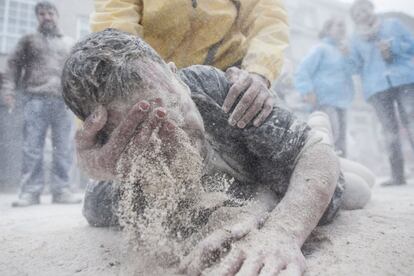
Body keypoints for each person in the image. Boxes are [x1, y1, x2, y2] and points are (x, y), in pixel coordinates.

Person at [61, 29, 373, 275]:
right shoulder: (119, 174)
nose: (177, 135)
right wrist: (100, 168)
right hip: (241, 180)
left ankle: (320, 126)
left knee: (354, 191)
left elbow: (313, 157)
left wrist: (282, 232)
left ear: (175, 74)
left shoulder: (223, 93)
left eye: (175, 109)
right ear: (109, 139)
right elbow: (93, 206)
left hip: (259, 158)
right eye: (148, 132)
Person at [90, 0, 289, 130]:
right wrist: (135, 70)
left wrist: (259, 72)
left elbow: (268, 18)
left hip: (221, 83)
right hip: (150, 78)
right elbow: (115, 20)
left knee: (272, 130)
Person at [1, 1, 81, 207]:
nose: (46, 17)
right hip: (35, 99)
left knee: (64, 147)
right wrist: (8, 90)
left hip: (64, 101)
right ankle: (30, 192)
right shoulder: (29, 40)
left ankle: (62, 190)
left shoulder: (69, 43)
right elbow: (11, 65)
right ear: (37, 17)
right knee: (32, 147)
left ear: (57, 15)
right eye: (42, 13)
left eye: (50, 13)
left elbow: (77, 72)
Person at [348, 0, 414, 186]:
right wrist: (347, 56)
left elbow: (412, 44)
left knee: (412, 121)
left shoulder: (393, 24)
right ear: (355, 19)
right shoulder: (354, 39)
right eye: (357, 14)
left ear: (371, 8)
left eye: (363, 10)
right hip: (376, 87)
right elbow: (355, 67)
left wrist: (394, 48)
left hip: (404, 79)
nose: (362, 15)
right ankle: (397, 175)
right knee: (388, 131)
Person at [295, 18, 354, 157]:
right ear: (328, 30)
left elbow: (351, 71)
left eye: (344, 26)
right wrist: (307, 91)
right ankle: (328, 169)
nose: (342, 29)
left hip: (342, 100)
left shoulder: (343, 51)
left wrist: (347, 56)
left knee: (341, 140)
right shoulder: (321, 48)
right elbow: (302, 70)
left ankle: (342, 173)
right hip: (324, 99)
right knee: (330, 135)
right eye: (339, 25)